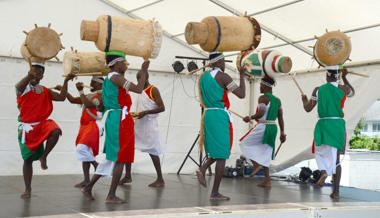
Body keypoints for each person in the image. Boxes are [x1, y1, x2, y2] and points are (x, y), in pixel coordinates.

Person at [81, 51, 148, 204]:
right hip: (119, 119)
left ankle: (88, 187)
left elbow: (103, 105)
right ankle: (111, 195)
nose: (126, 65)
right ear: (115, 64)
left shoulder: (108, 80)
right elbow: (138, 89)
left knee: (113, 158)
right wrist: (144, 70)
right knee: (120, 158)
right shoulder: (116, 77)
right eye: (124, 62)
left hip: (116, 118)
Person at [15, 61, 74, 199]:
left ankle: (44, 156)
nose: (36, 74)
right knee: (28, 160)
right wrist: (28, 76)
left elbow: (61, 97)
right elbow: (18, 87)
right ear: (30, 71)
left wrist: (66, 81)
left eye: (39, 72)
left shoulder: (45, 90)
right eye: (34, 71)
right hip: (28, 128)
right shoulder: (23, 88)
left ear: (42, 76)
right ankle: (27, 188)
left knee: (55, 131)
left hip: (41, 125)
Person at [196, 52, 246, 201]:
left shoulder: (203, 77)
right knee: (222, 154)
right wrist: (242, 76)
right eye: (223, 61)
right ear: (218, 62)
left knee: (217, 150)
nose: (225, 64)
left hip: (208, 115)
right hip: (218, 116)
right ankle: (215, 192)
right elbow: (242, 94)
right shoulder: (223, 77)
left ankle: (203, 168)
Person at [301, 66, 354, 199]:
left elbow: (308, 108)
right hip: (337, 125)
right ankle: (336, 192)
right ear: (337, 76)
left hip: (323, 125)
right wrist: (345, 77)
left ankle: (324, 171)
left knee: (319, 152)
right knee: (336, 160)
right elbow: (351, 92)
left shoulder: (318, 90)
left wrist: (304, 100)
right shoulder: (343, 89)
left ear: (327, 75)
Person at [119, 71, 166, 187]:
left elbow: (162, 107)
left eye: (140, 78)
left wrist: (146, 112)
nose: (138, 80)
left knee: (152, 151)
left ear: (146, 77)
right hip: (139, 124)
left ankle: (160, 179)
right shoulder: (139, 90)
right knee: (129, 148)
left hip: (149, 125)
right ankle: (128, 176)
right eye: (137, 78)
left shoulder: (153, 89)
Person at [239, 76, 286, 188]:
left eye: (260, 85)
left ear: (265, 86)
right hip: (273, 128)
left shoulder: (263, 98)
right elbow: (280, 117)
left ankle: (256, 165)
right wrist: (282, 132)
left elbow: (261, 113)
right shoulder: (278, 100)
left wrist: (249, 117)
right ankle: (267, 180)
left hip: (263, 127)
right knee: (265, 153)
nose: (259, 87)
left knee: (244, 143)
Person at [58, 76, 104, 188]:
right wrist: (63, 90)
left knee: (81, 149)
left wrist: (80, 90)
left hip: (93, 125)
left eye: (93, 83)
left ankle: (96, 165)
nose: (91, 84)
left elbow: (89, 104)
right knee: (85, 154)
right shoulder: (90, 96)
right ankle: (87, 180)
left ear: (100, 85)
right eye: (91, 82)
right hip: (85, 126)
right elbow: (73, 100)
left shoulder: (102, 95)